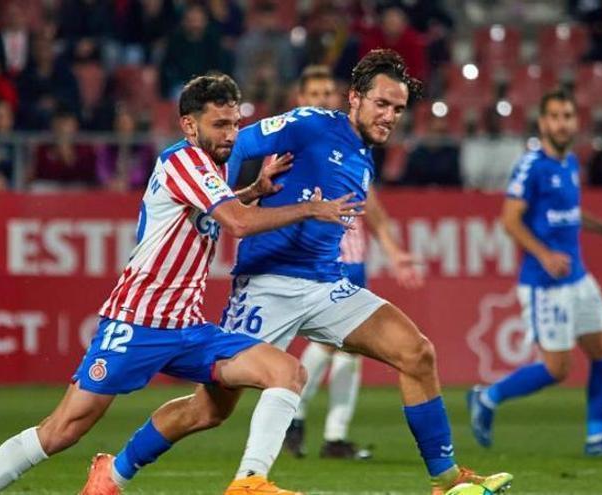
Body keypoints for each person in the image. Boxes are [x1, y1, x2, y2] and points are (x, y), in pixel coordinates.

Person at [0, 73, 363, 495]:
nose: (231, 134)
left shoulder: (214, 167)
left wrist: (254, 188)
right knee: (61, 431)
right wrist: (308, 208)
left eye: (235, 123)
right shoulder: (182, 161)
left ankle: (248, 483)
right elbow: (237, 224)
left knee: (284, 372)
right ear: (189, 125)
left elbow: (213, 208)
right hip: (137, 323)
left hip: (187, 328)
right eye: (220, 125)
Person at [219, 49, 513, 494]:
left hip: (325, 284)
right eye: (382, 104)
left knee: (417, 353)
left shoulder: (362, 157)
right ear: (354, 98)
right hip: (268, 282)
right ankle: (119, 470)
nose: (391, 116)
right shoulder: (310, 124)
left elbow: (369, 209)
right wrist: (223, 201)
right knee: (211, 407)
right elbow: (239, 142)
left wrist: (393, 249)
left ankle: (447, 480)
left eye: (397, 109)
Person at [265, 65, 424, 460]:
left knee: (347, 351)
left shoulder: (348, 142)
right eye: (313, 93)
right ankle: (298, 417)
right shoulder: (295, 142)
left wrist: (391, 247)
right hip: (317, 256)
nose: (320, 99)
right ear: (300, 100)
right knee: (331, 347)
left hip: (352, 254)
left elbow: (369, 203)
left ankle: (332, 433)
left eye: (326, 92)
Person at [467, 89, 602, 457]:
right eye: (555, 116)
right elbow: (509, 220)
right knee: (557, 369)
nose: (562, 123)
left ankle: (597, 437)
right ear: (543, 123)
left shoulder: (570, 162)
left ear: (575, 122)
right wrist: (543, 254)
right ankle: (487, 396)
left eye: (568, 116)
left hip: (578, 277)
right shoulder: (531, 166)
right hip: (545, 284)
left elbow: (570, 213)